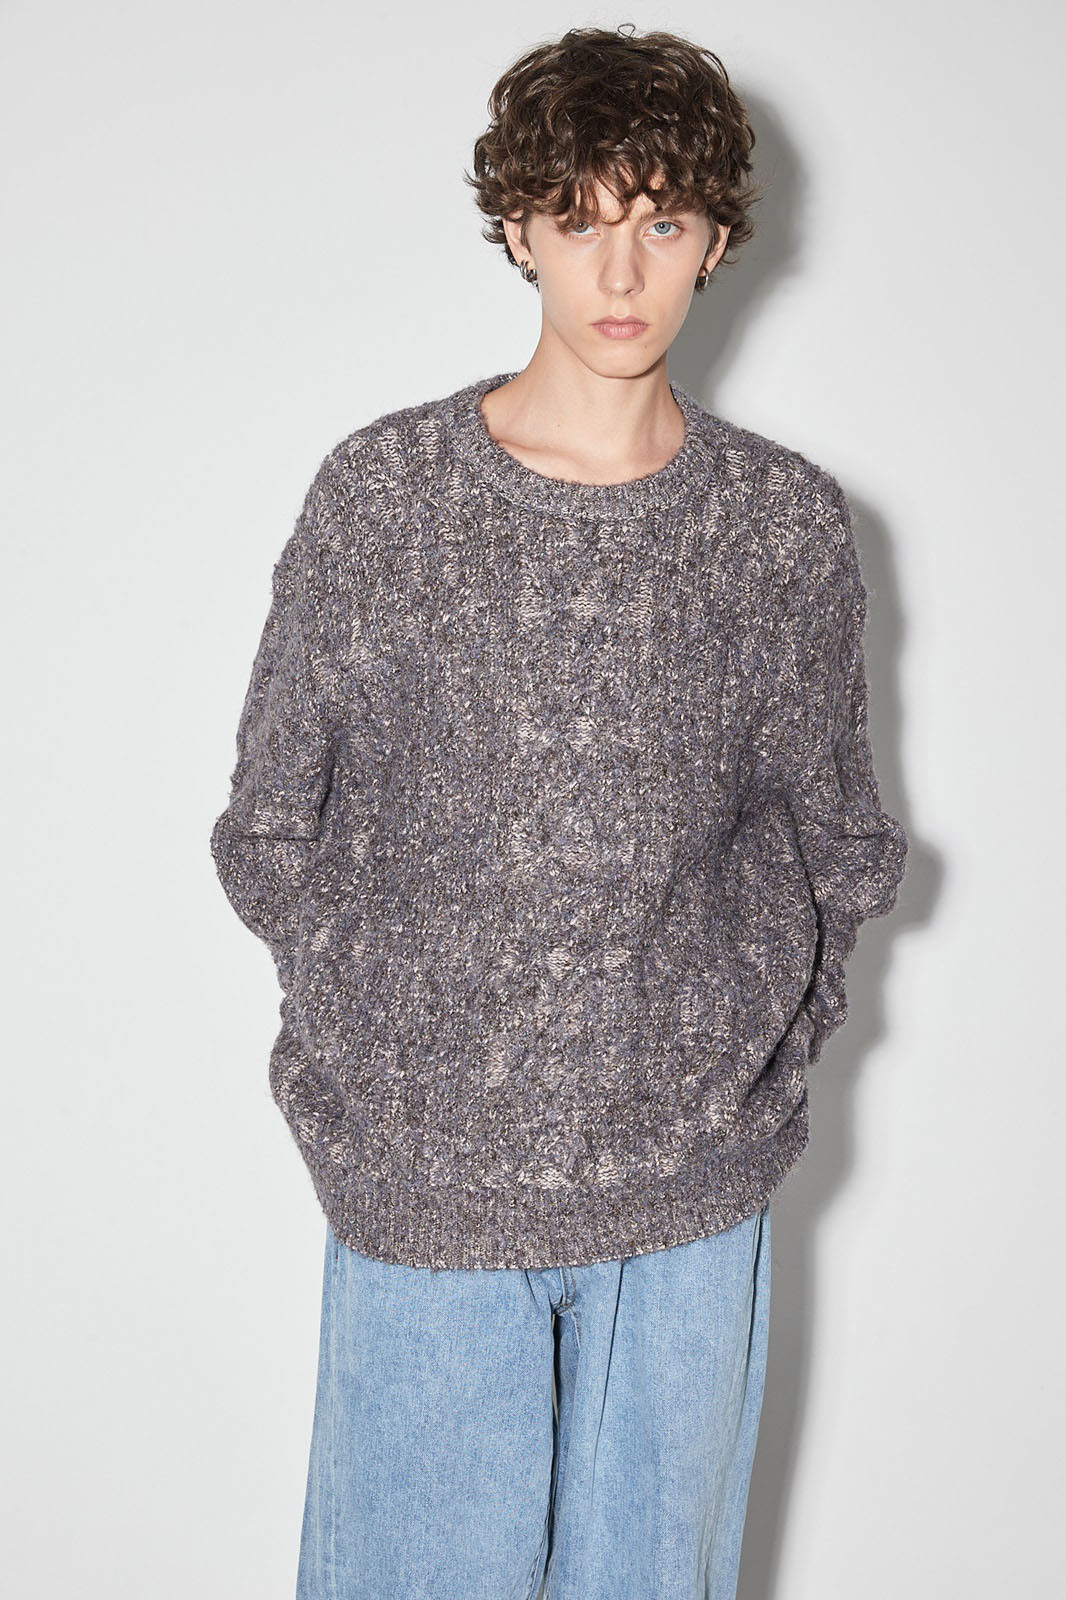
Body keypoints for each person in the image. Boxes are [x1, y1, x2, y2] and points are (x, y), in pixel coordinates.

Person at [209, 23, 908, 1600]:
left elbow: (834, 838)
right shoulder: (386, 500)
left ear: (715, 240)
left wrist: (749, 1057)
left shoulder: (779, 528)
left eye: (660, 221)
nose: (620, 269)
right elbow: (270, 823)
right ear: (517, 230)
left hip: (690, 1187)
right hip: (426, 1177)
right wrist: (386, 1051)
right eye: (578, 220)